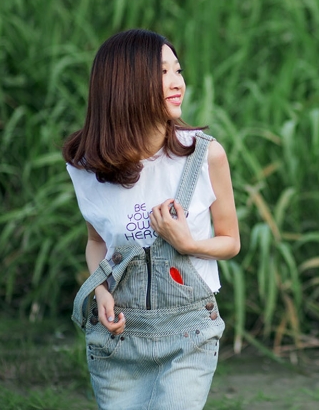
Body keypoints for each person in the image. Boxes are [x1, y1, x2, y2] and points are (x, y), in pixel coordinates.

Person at [62, 28, 240, 409]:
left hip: (188, 332)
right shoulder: (87, 168)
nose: (177, 83)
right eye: (163, 73)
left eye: (177, 70)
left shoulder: (205, 157)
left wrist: (187, 243)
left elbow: (231, 240)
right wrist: (101, 291)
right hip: (119, 340)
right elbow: (97, 244)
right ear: (125, 84)